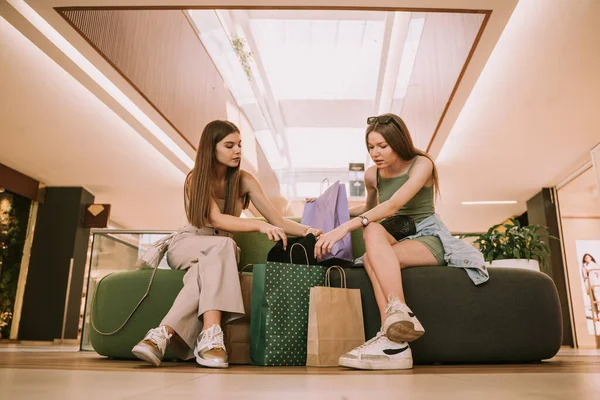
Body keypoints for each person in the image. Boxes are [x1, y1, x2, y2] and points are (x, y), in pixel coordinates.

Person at [132, 120, 321, 368]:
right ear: (212, 148)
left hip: (217, 253)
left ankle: (160, 336)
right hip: (189, 243)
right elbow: (215, 219)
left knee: (211, 263)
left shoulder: (244, 180)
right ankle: (211, 336)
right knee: (225, 246)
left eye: (240, 145)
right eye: (229, 145)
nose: (238, 151)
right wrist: (259, 225)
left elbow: (276, 219)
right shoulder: (196, 179)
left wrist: (309, 230)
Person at [314, 113, 487, 370]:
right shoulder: (372, 175)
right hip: (395, 233)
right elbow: (371, 209)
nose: (375, 153)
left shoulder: (422, 164)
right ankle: (397, 327)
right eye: (371, 147)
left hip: (428, 237)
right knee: (372, 230)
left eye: (382, 146)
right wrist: (324, 205)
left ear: (399, 142)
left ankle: (393, 334)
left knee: (374, 255)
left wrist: (342, 229)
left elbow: (394, 205)